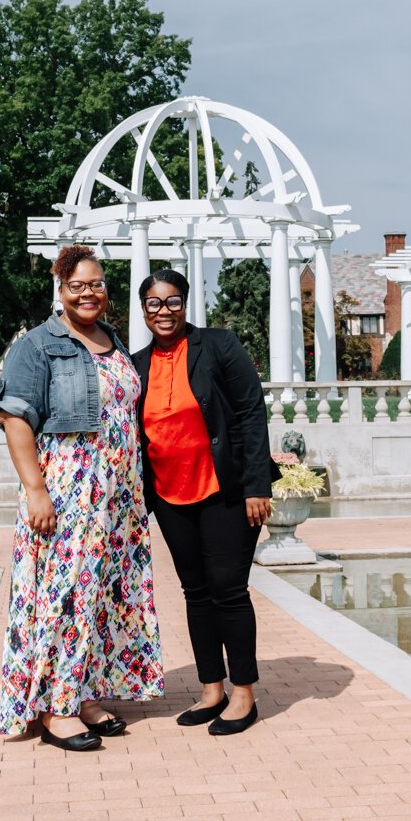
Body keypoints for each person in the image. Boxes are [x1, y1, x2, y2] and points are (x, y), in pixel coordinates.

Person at [0, 245, 164, 751]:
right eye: (77, 286)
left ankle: (83, 692)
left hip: (118, 495)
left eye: (96, 285)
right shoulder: (37, 345)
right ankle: (54, 706)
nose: (89, 294)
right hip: (69, 489)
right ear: (60, 290)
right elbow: (15, 418)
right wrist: (36, 491)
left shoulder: (111, 338)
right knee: (64, 595)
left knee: (102, 596)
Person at [132, 269, 277, 736]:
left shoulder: (218, 345)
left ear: (185, 303)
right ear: (143, 310)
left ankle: (244, 694)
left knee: (228, 590)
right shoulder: (136, 364)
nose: (164, 312)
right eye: (154, 304)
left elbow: (252, 411)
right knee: (195, 592)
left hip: (226, 490)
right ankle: (211, 688)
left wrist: (257, 485)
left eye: (172, 302)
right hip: (170, 496)